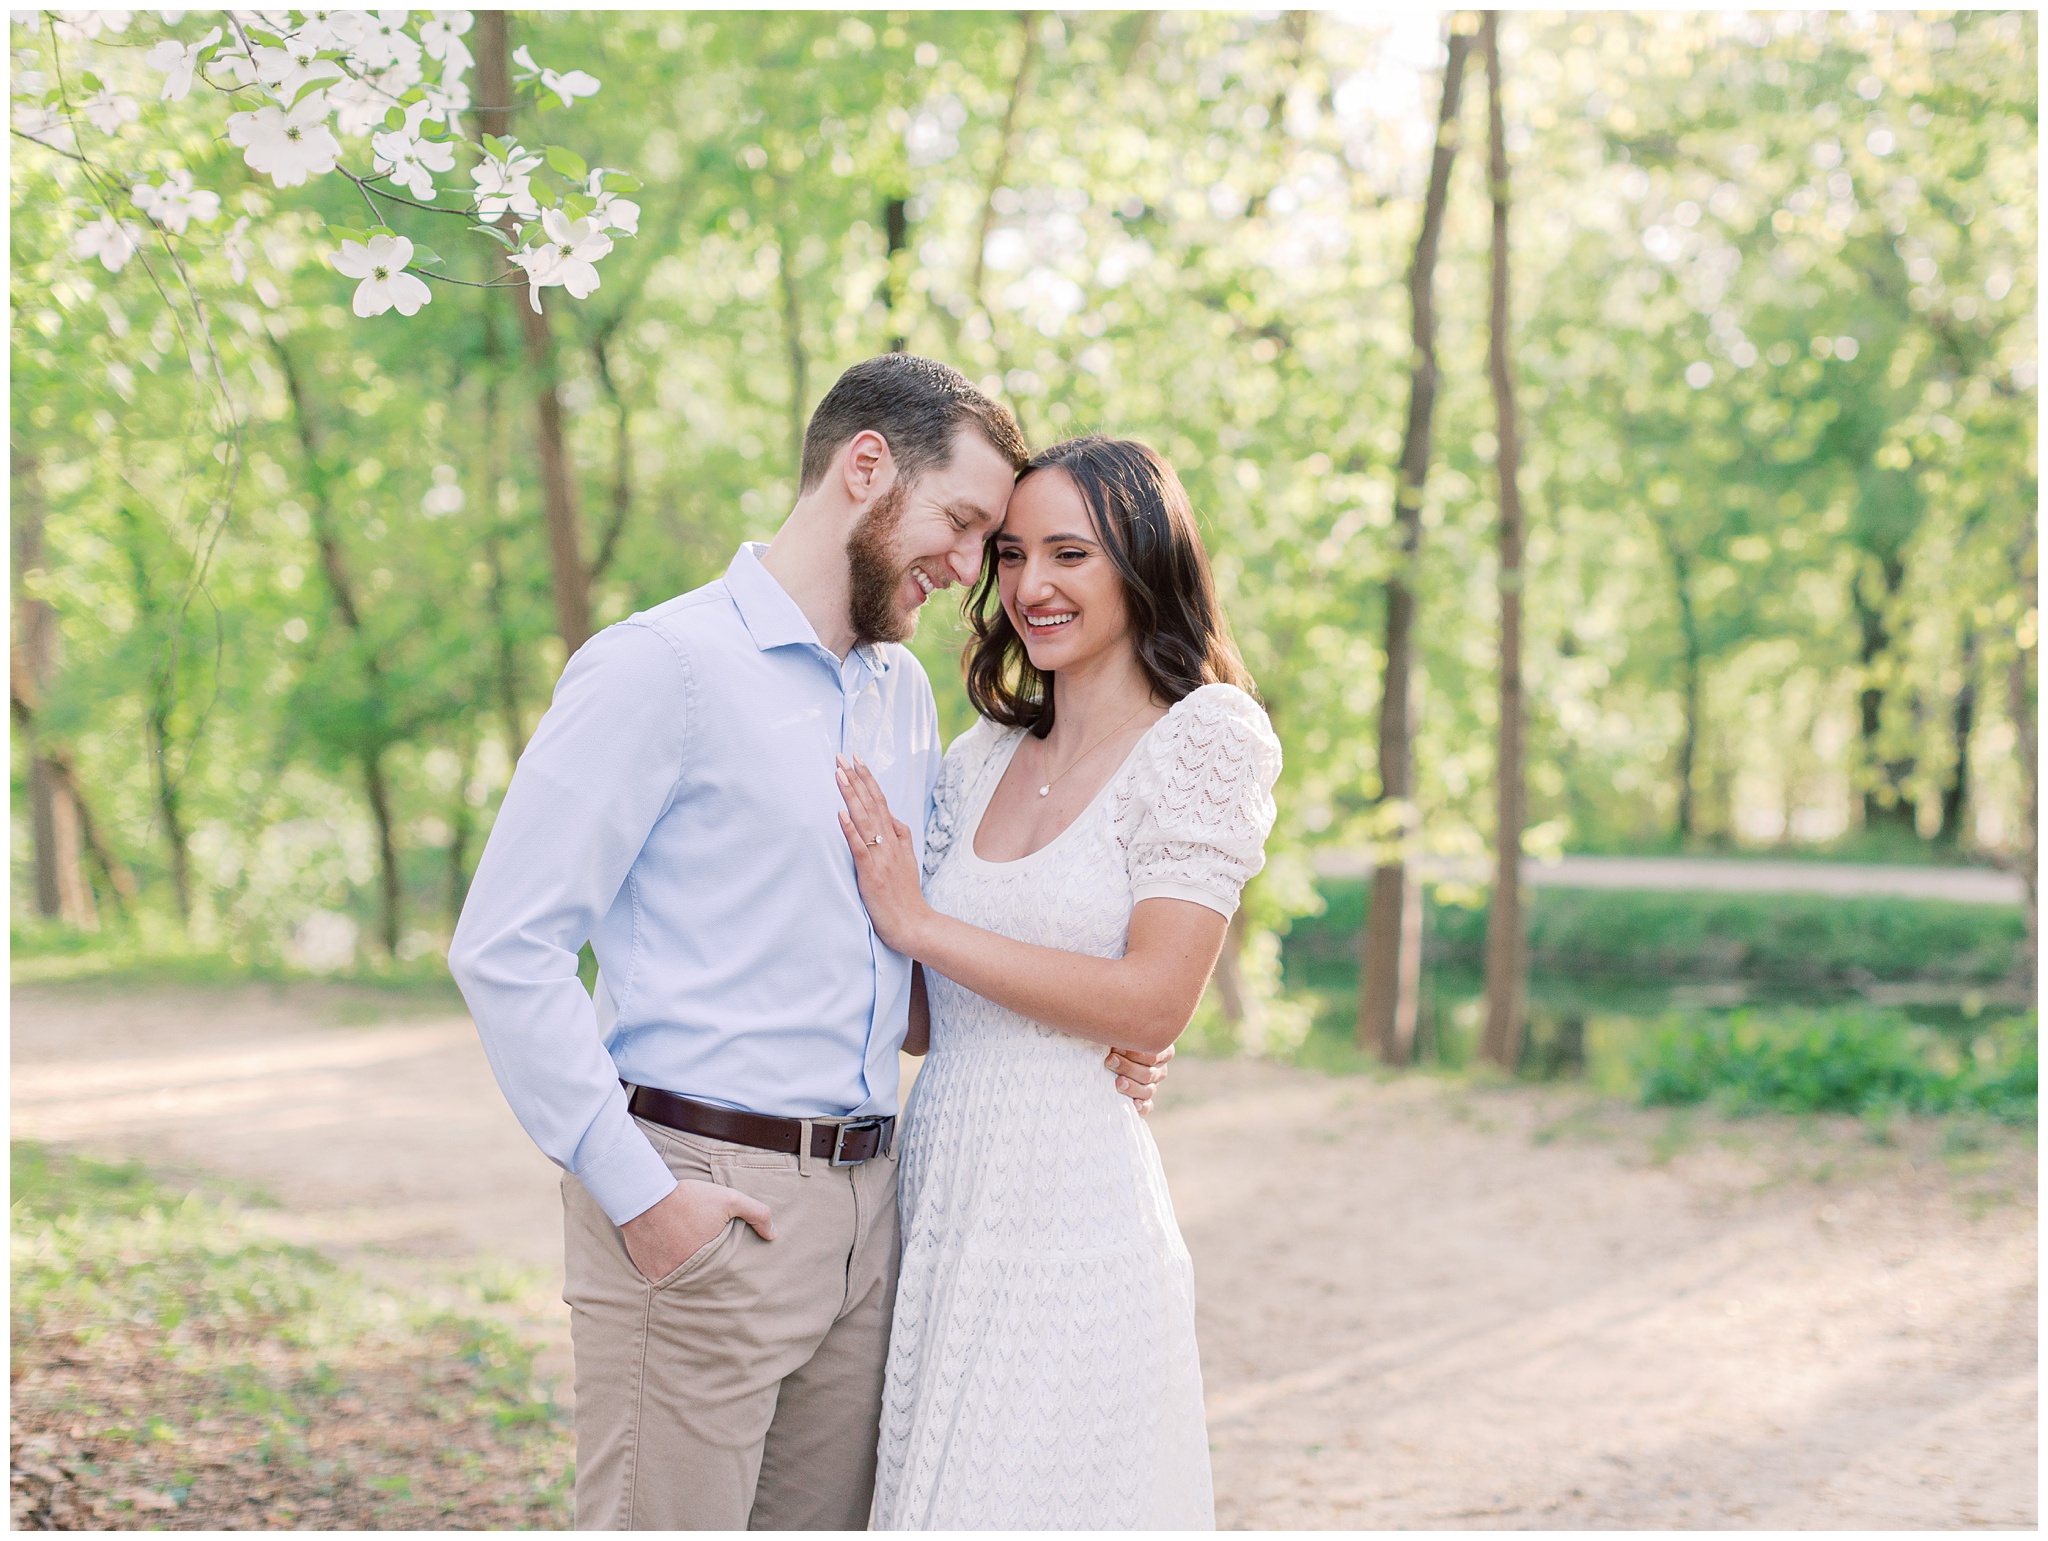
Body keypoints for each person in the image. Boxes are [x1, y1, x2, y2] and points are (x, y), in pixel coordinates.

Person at [447, 357, 1170, 1532]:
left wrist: (1099, 1030)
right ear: (865, 467)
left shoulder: (898, 692)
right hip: (698, 1189)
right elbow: (508, 947)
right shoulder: (659, 666)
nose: (972, 565)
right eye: (965, 523)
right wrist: (642, 1196)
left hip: (871, 1218)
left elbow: (911, 962)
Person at [833, 436, 1282, 1529]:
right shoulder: (978, 754)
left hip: (1075, 1204)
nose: (1031, 586)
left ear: (1141, 561)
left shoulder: (1203, 737)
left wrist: (922, 921)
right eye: (1013, 554)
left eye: (1070, 554)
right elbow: (931, 1012)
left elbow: (1151, 1000)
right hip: (942, 1187)